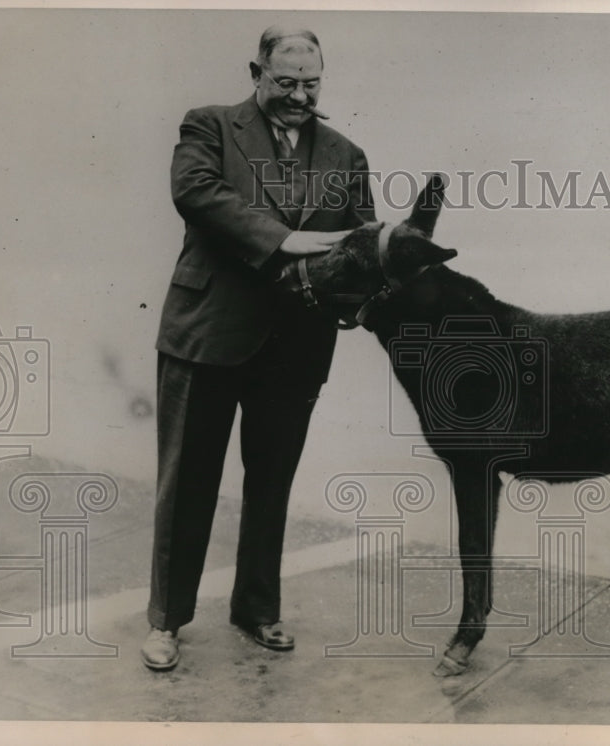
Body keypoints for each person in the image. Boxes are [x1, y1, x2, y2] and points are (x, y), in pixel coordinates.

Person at [141, 25, 376, 671]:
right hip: (209, 332)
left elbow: (360, 239)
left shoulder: (347, 153)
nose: (301, 94)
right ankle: (166, 622)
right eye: (287, 82)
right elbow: (195, 193)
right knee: (188, 484)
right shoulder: (210, 126)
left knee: (272, 484)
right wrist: (284, 239)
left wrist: (365, 280)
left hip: (297, 343)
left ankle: (257, 609)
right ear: (256, 72)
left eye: (312, 83)